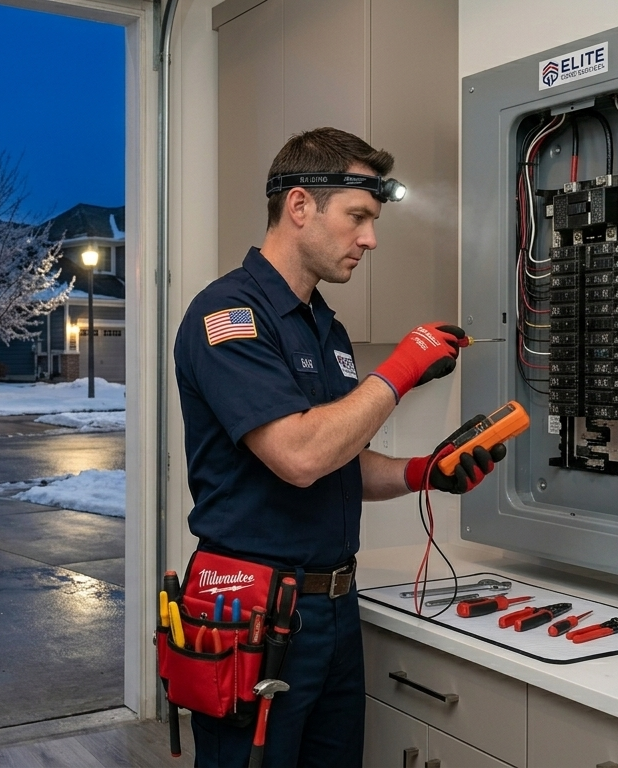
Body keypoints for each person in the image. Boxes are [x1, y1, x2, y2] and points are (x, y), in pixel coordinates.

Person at [174, 127, 506, 767]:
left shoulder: (326, 328)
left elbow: (337, 459)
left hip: (333, 608)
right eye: (358, 217)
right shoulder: (228, 315)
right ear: (300, 206)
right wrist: (401, 370)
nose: (370, 239)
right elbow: (299, 456)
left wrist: (423, 471)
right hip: (254, 609)